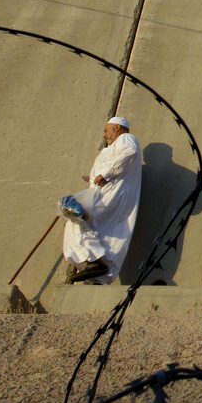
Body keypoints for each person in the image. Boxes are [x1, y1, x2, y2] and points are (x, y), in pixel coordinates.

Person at [63, 116, 142, 284]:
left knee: (77, 219)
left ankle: (93, 261)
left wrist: (105, 174)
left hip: (111, 196)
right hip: (103, 194)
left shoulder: (126, 139)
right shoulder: (109, 149)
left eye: (106, 130)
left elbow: (129, 153)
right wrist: (92, 178)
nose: (105, 135)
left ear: (117, 128)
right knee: (98, 232)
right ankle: (97, 272)